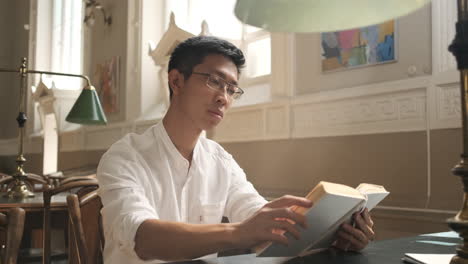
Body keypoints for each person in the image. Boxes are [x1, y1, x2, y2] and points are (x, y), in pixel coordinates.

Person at [97, 36, 375, 264]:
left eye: (232, 89)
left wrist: (334, 234)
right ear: (176, 81)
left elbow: (258, 219)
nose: (223, 98)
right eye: (214, 81)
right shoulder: (124, 156)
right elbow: (143, 238)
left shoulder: (220, 161)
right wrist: (239, 232)